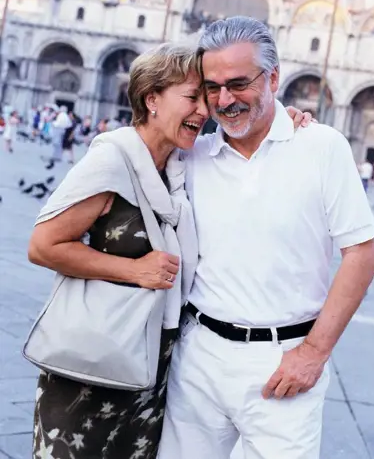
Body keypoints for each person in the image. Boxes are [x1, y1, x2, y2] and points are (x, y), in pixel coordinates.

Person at [27, 42, 310, 459]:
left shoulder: (180, 166)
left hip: (153, 370)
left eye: (206, 97)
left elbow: (251, 136)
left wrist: (281, 119)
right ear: (152, 99)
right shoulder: (113, 161)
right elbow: (42, 246)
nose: (204, 110)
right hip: (92, 367)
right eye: (192, 96)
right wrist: (135, 270)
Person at [158, 16, 374, 459]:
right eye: (212, 86)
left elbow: (361, 255)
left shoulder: (321, 147)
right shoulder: (192, 155)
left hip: (284, 363)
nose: (224, 99)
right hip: (197, 356)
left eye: (239, 83)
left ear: (274, 77)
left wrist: (314, 352)